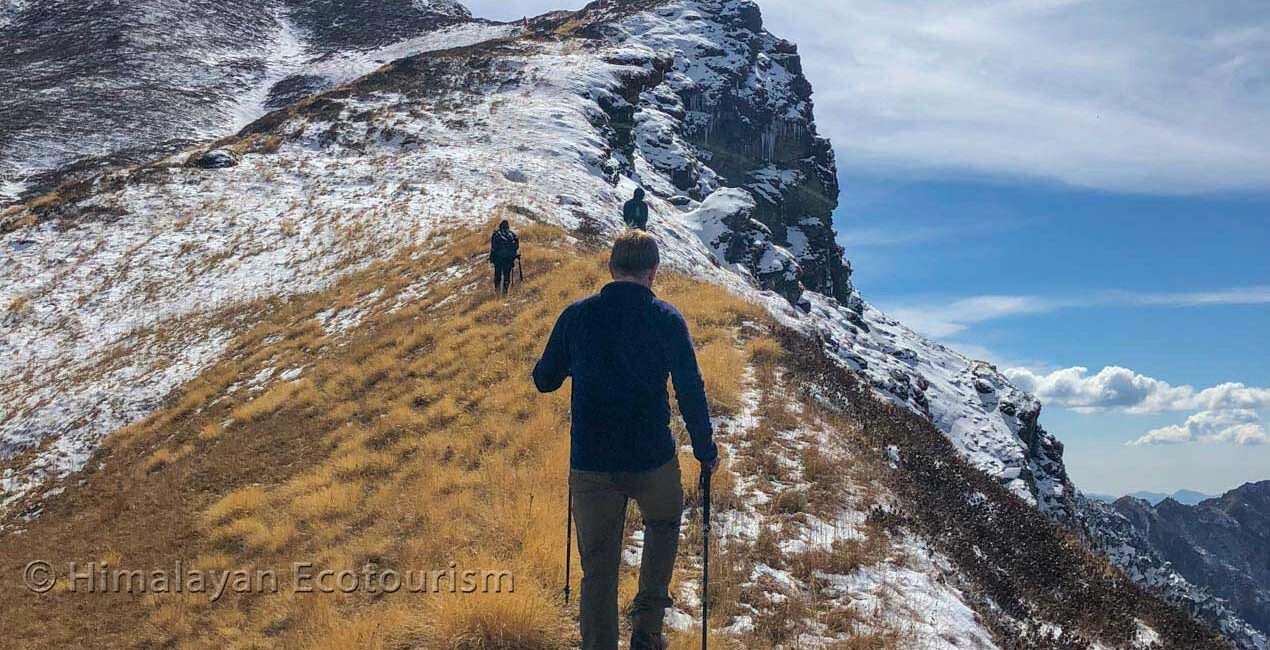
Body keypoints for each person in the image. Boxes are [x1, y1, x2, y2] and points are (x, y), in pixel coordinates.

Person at [533, 229, 719, 650]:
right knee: (664, 524)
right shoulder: (666, 318)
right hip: (652, 459)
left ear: (611, 267)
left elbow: (544, 381)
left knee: (598, 567)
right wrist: (706, 451)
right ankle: (647, 632)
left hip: (592, 463)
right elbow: (691, 390)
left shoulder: (576, 316)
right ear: (653, 271)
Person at [489, 220, 520, 294]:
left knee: (498, 275)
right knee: (507, 275)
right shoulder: (512, 234)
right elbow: (516, 246)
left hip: (498, 259)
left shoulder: (496, 234)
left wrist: (492, 258)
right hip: (509, 259)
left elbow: (493, 247)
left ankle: (497, 291)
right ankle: (505, 292)